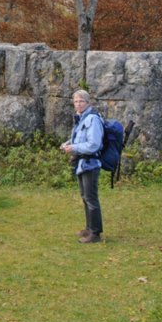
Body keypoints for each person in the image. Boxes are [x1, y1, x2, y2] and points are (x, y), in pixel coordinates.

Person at [60, 90, 104, 243]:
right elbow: (79, 138)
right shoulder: (81, 118)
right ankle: (89, 228)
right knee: (85, 197)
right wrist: (69, 144)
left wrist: (74, 148)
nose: (78, 104)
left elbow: (94, 144)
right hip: (82, 163)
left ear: (87, 102)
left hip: (90, 164)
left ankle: (95, 233)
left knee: (91, 198)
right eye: (76, 102)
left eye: (81, 101)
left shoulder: (92, 119)